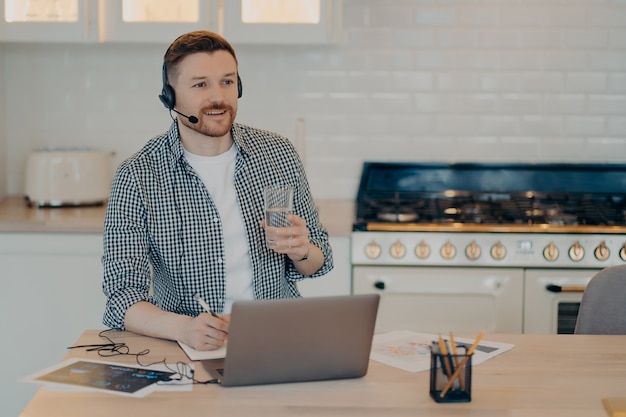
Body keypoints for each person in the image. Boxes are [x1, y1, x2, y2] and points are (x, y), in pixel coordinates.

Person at [102, 30, 333, 351]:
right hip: (189, 347)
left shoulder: (278, 153)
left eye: (227, 82)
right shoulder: (138, 174)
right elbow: (122, 295)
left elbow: (318, 261)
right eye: (200, 84)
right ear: (169, 96)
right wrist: (184, 328)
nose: (218, 97)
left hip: (279, 337)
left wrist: (301, 251)